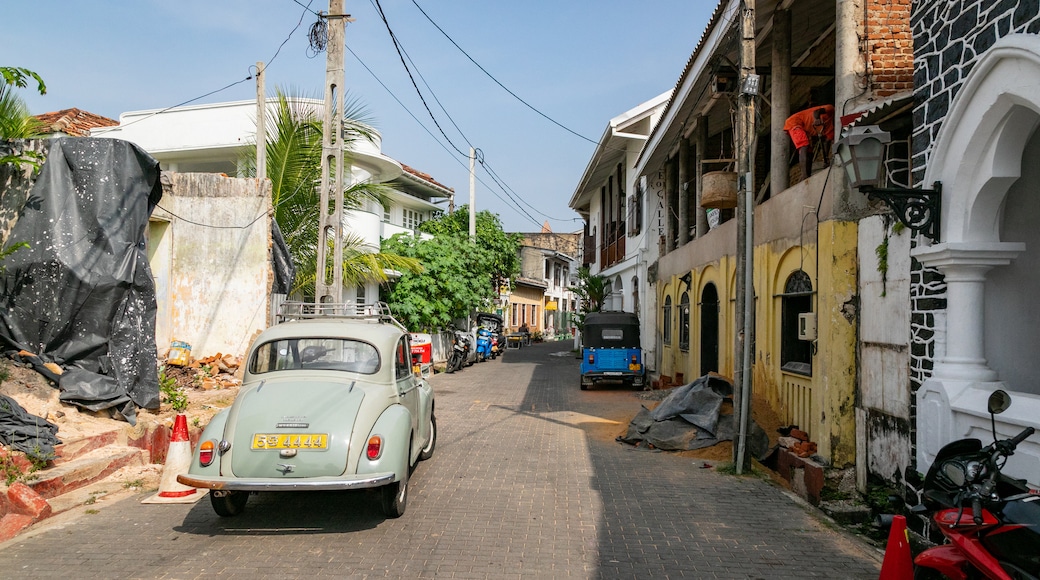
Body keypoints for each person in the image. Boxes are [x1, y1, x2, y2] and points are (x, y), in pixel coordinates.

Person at [783, 104, 834, 181]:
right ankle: (804, 175)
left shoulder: (831, 130)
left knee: (809, 152)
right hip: (795, 122)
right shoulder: (831, 109)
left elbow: (826, 143)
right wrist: (817, 119)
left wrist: (825, 159)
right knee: (804, 146)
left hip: (806, 129)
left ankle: (808, 175)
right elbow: (816, 112)